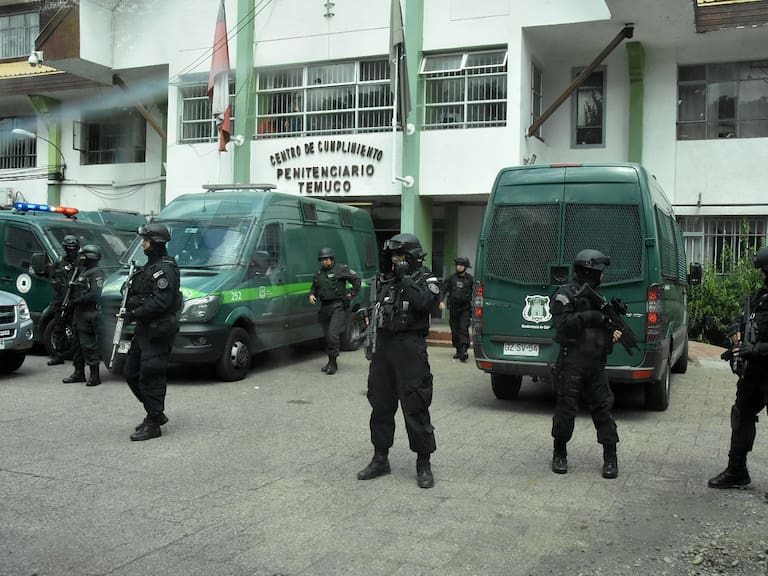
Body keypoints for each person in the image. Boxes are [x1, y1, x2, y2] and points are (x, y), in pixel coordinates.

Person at [357, 233, 442, 489]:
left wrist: (405, 278)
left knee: (415, 405)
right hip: (383, 349)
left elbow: (426, 303)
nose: (396, 261)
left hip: (410, 349)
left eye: (401, 256)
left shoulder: (426, 279)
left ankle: (423, 463)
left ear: (414, 258)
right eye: (394, 257)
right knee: (380, 405)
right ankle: (380, 458)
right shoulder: (385, 280)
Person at [549, 249, 622, 479]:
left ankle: (610, 457)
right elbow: (561, 324)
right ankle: (559, 453)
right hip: (572, 362)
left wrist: (612, 332)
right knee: (566, 409)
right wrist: (588, 318)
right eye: (600, 272)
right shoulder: (565, 294)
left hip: (596, 364)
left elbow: (605, 330)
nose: (603, 277)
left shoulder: (598, 298)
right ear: (591, 271)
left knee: (603, 409)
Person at [708, 246, 768, 498]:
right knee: (741, 416)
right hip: (754, 373)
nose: (762, 276)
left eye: (764, 271)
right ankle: (737, 471)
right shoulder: (761, 296)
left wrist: (755, 350)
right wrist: (737, 347)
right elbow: (749, 326)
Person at [122, 224, 181, 441]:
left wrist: (135, 312)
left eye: (146, 241)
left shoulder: (164, 269)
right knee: (131, 373)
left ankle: (154, 422)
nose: (143, 244)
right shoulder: (149, 267)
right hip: (144, 330)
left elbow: (162, 301)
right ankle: (154, 412)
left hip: (158, 331)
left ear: (155, 243)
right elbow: (140, 291)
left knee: (151, 375)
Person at [308, 247, 361, 375]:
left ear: (332, 259)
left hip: (337, 306)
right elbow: (314, 288)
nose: (324, 262)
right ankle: (330, 361)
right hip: (324, 307)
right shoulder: (319, 274)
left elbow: (356, 281)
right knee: (327, 336)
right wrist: (311, 295)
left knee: (332, 334)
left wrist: (351, 294)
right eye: (322, 260)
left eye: (326, 259)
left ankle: (333, 363)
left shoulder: (341, 269)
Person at [62, 244, 105, 386]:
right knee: (76, 345)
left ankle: (94, 375)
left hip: (89, 314)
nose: (81, 258)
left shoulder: (96, 273)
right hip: (78, 314)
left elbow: (94, 294)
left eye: (83, 256)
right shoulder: (82, 272)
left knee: (88, 345)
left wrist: (75, 302)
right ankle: (78, 373)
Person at [44, 235, 81, 366]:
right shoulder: (60, 261)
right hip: (61, 299)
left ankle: (79, 359)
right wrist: (58, 285)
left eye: (73, 248)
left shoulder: (80, 262)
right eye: (68, 247)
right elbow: (52, 276)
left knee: (78, 330)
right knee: (59, 327)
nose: (71, 250)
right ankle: (58, 355)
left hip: (76, 300)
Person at [439, 256, 474, 362]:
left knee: (463, 328)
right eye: (457, 265)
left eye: (461, 265)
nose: (459, 267)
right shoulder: (451, 278)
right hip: (454, 308)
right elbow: (443, 290)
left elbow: (477, 292)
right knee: (455, 330)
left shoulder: (470, 279)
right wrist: (441, 301)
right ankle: (458, 350)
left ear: (465, 267)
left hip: (465, 308)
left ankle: (464, 350)